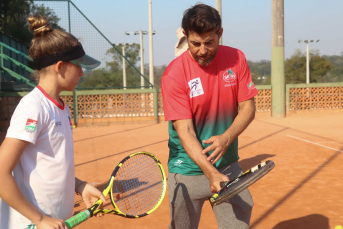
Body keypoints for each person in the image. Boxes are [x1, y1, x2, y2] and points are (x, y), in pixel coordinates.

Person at [0, 15, 107, 229]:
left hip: (55, 222)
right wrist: (39, 219)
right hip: (28, 224)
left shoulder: (62, 108)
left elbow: (52, 165)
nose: (81, 72)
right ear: (60, 67)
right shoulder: (33, 107)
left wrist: (80, 186)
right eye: (78, 65)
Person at [161, 4, 258, 229]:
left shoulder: (236, 58)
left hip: (228, 167)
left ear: (219, 34)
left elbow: (248, 108)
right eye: (195, 43)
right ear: (185, 36)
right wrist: (210, 172)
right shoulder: (174, 74)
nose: (202, 50)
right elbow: (184, 130)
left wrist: (226, 137)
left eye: (209, 42)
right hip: (187, 170)